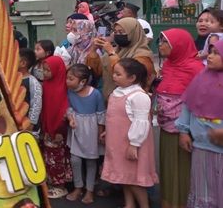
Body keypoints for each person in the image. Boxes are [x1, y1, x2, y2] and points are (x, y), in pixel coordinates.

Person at [101, 58, 158, 208]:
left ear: (132, 78)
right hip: (118, 142)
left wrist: (134, 144)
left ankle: (144, 205)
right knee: (124, 176)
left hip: (131, 144)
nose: (114, 77)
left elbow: (141, 122)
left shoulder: (138, 96)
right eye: (114, 73)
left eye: (118, 74)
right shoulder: (118, 92)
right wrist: (108, 131)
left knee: (134, 179)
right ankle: (129, 204)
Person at [156, 29, 203, 208]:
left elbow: (199, 103)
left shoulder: (196, 68)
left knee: (184, 171)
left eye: (165, 42)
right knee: (168, 168)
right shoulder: (168, 64)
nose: (160, 45)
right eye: (160, 41)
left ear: (179, 45)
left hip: (185, 132)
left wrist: (187, 131)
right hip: (166, 128)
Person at [176, 39, 223, 208]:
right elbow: (188, 105)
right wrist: (183, 131)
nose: (210, 57)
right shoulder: (201, 77)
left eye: (217, 53)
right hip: (201, 147)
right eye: (210, 52)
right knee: (203, 190)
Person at [86, 17, 155, 98]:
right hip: (111, 99)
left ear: (133, 33)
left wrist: (111, 53)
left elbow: (129, 75)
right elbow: (97, 71)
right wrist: (93, 50)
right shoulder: (117, 50)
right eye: (115, 32)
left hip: (131, 102)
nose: (118, 35)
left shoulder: (143, 55)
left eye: (121, 32)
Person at [65, 64, 105, 204]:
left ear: (82, 81)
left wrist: (100, 133)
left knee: (91, 161)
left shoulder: (95, 94)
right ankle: (78, 187)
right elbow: (68, 108)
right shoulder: (70, 92)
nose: (67, 81)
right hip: (76, 129)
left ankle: (89, 191)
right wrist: (70, 119)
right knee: (75, 160)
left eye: (71, 78)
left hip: (91, 131)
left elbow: (101, 115)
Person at [39, 56, 72, 198]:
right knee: (49, 157)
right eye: (43, 69)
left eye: (48, 70)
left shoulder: (63, 87)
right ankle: (52, 183)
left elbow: (64, 109)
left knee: (58, 157)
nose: (45, 73)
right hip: (47, 128)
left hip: (59, 129)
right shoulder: (46, 84)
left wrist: (59, 129)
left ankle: (61, 186)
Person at [18, 49, 42, 132]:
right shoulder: (11, 79)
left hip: (27, 126)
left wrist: (31, 123)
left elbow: (36, 104)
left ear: (23, 63)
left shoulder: (33, 82)